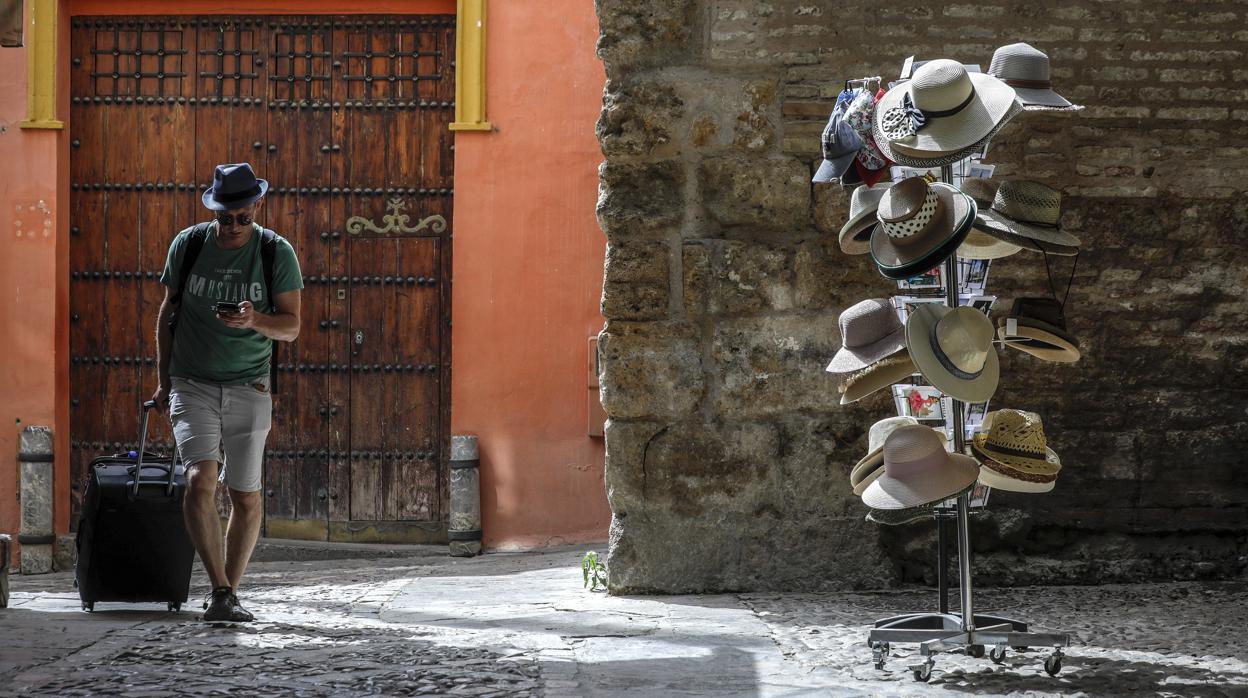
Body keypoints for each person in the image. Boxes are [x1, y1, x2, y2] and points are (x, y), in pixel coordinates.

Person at [150, 163, 303, 622]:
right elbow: (166, 313)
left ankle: (228, 594)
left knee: (246, 494)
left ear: (257, 206)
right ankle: (218, 588)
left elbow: (292, 327)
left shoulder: (276, 252)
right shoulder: (190, 244)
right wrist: (164, 379)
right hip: (191, 382)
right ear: (214, 211)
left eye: (243, 217)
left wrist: (255, 319)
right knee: (200, 479)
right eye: (226, 218)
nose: (234, 226)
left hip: (250, 386)